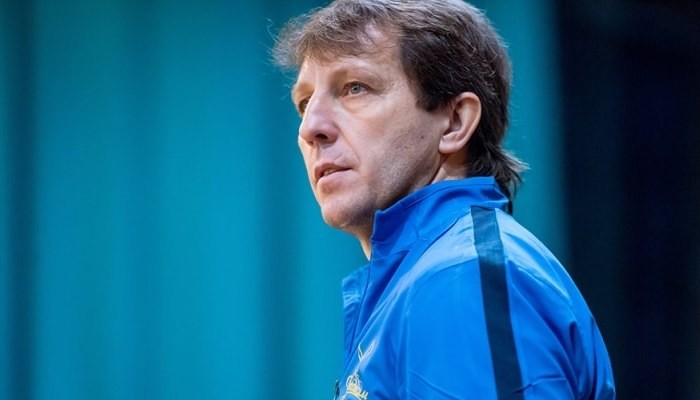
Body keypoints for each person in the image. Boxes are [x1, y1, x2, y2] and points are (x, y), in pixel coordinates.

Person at [273, 0, 616, 398]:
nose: (310, 128)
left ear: (454, 123)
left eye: (355, 88)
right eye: (304, 103)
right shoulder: (427, 281)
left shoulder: (458, 280)